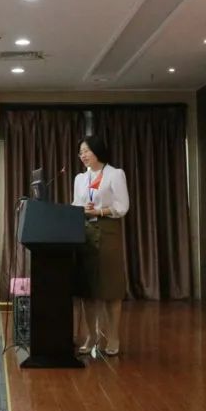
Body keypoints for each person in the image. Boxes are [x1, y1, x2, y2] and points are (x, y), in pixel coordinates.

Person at [72, 135, 130, 356]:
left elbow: (122, 206)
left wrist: (99, 211)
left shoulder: (115, 174)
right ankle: (91, 336)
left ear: (98, 151)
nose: (83, 155)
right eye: (81, 152)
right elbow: (75, 204)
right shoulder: (80, 178)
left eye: (86, 150)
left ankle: (113, 336)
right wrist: (82, 209)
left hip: (107, 231)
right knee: (87, 289)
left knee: (110, 288)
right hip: (85, 232)